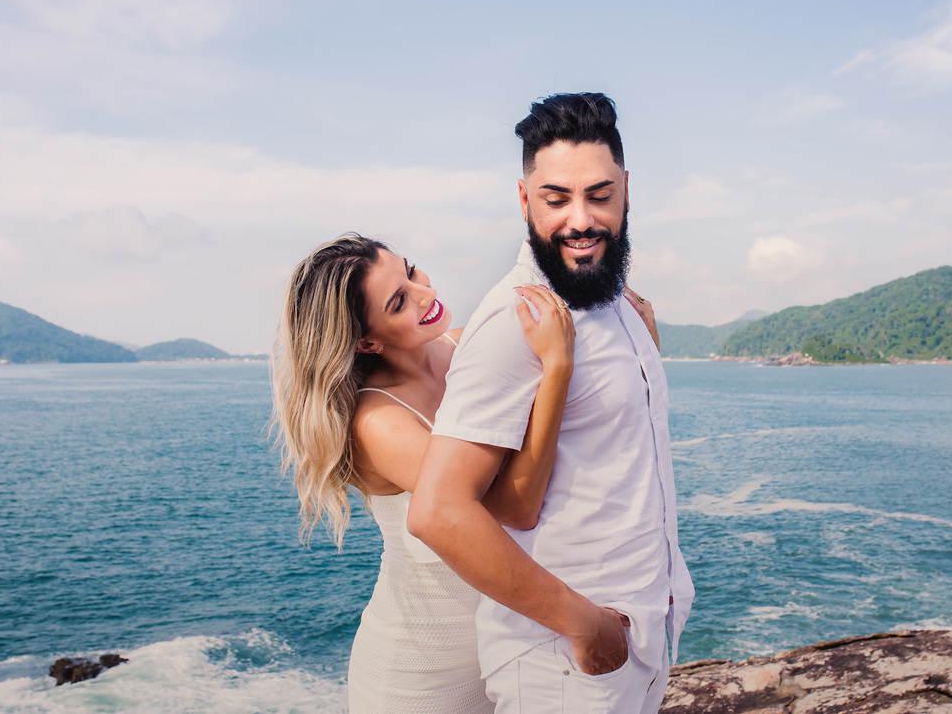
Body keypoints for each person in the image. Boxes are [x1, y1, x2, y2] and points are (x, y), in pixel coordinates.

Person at [268, 234, 658, 713]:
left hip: (509, 645)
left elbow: (585, 427)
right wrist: (556, 367)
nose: (425, 294)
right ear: (367, 340)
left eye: (411, 272)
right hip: (422, 677)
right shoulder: (377, 423)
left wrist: (637, 341)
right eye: (399, 301)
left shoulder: (466, 344)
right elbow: (514, 509)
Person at [408, 92, 693, 714]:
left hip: (643, 637)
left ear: (626, 190)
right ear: (524, 200)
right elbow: (438, 511)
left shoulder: (616, 300)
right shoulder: (516, 319)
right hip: (565, 665)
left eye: (599, 194)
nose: (581, 219)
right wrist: (582, 623)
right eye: (556, 199)